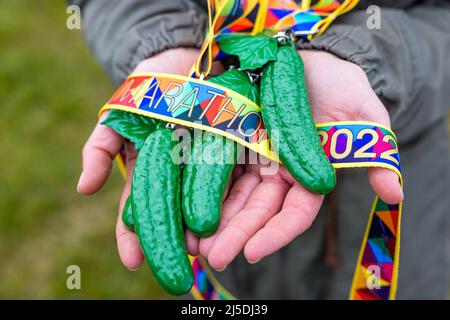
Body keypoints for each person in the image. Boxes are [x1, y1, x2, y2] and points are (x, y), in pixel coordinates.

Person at [74, 0, 450, 299]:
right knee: (208, 230)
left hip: (409, 216)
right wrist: (165, 43)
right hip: (236, 259)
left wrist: (363, 58)